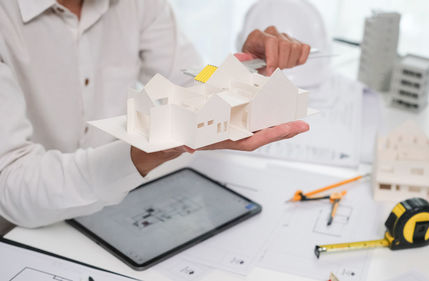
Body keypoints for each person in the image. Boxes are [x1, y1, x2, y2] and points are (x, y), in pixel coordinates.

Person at [0, 0, 311, 228]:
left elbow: (190, 83)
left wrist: (244, 71)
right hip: (27, 228)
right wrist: (142, 153)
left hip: (122, 198)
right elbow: (12, 184)